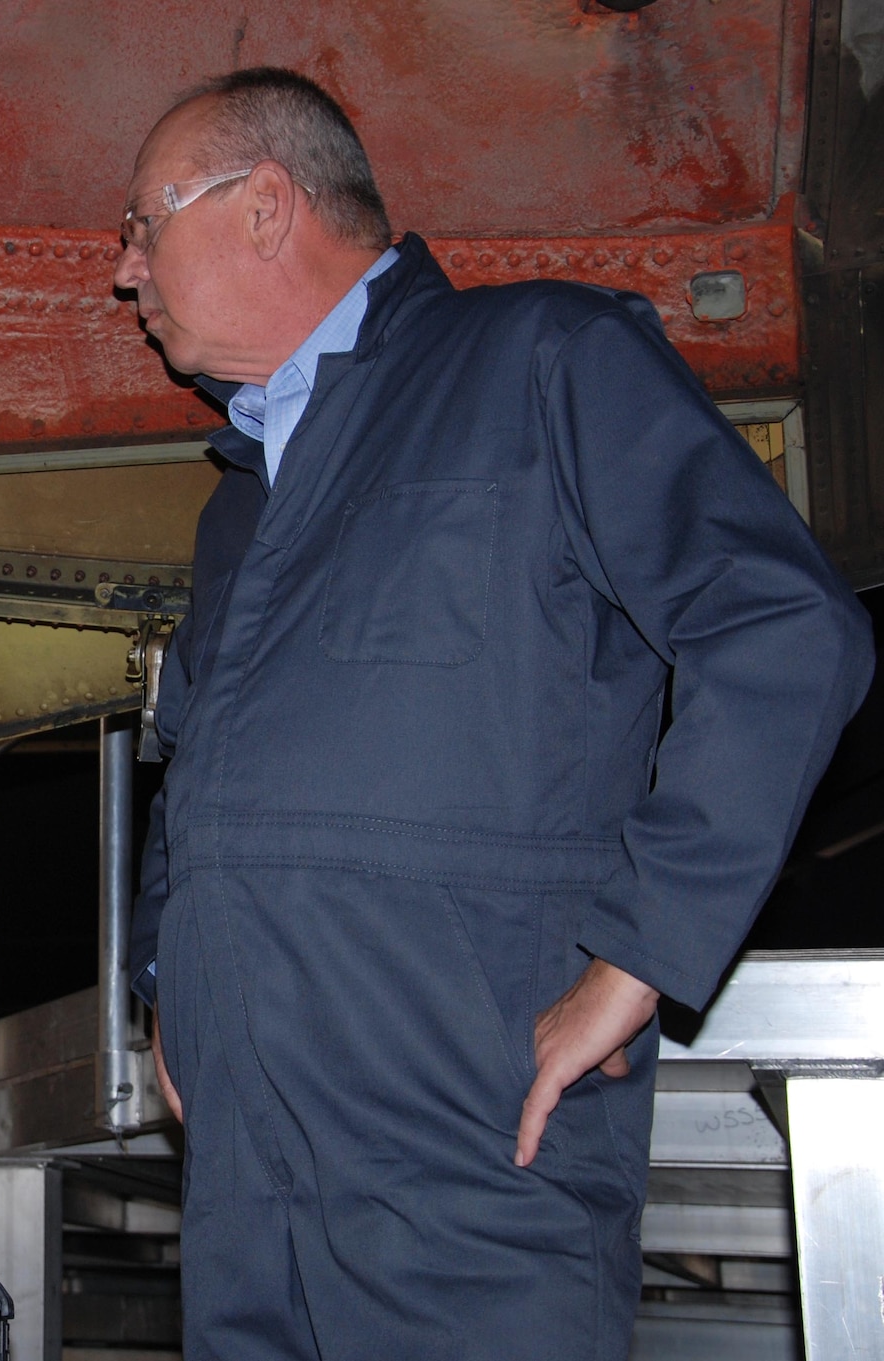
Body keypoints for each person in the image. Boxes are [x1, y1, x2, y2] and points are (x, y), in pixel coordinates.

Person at [115, 69, 873, 1359]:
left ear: (262, 206)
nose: (121, 270)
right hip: (247, 1182)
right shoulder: (237, 499)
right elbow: (191, 757)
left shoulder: (541, 357)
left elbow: (782, 629)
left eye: (142, 222)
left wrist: (639, 956)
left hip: (466, 1147)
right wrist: (161, 981)